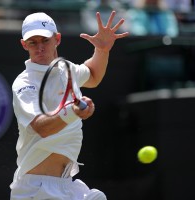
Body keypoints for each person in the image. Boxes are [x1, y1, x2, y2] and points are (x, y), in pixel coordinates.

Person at [10, 11, 129, 200]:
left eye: (45, 40)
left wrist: (102, 50)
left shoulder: (67, 69)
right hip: (36, 190)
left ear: (57, 39)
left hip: (66, 186)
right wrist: (72, 112)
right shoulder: (24, 84)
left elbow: (93, 75)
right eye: (33, 42)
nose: (40, 47)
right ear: (24, 45)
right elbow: (41, 127)